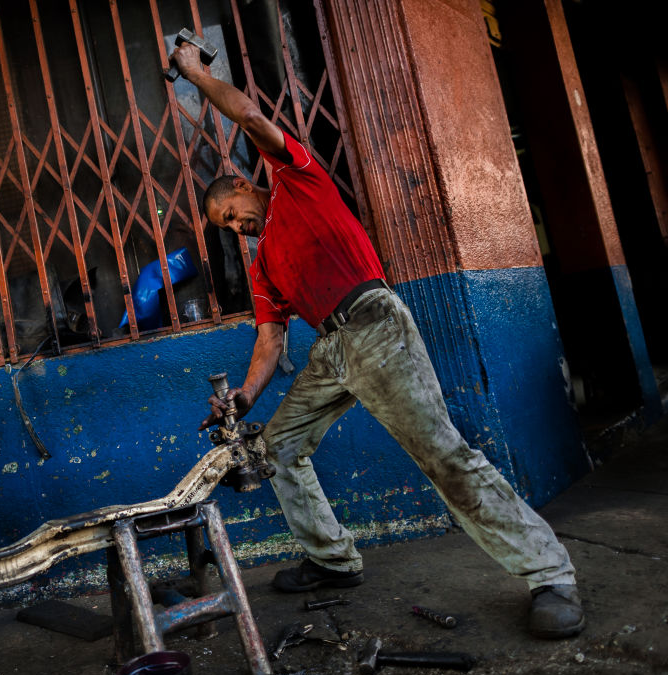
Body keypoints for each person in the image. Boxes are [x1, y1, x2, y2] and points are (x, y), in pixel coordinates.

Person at [171, 42, 584, 639]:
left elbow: (253, 119)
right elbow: (268, 340)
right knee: (276, 450)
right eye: (227, 229)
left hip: (375, 324)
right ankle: (332, 559)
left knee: (443, 455)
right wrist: (244, 398)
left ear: (244, 185)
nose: (237, 227)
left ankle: (550, 574)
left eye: (232, 212)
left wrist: (199, 76)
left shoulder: (295, 181)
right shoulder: (264, 267)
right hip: (332, 349)